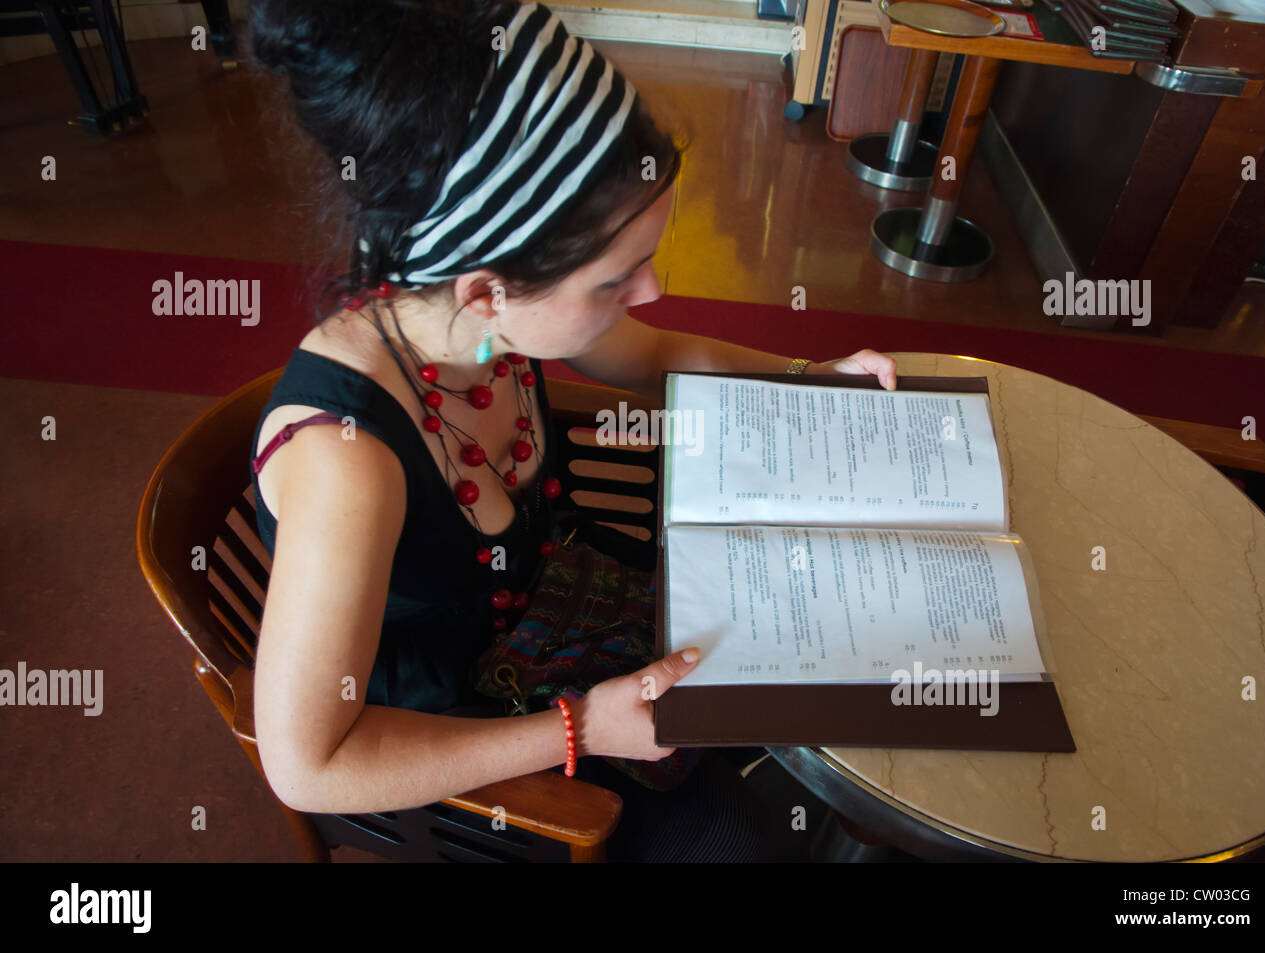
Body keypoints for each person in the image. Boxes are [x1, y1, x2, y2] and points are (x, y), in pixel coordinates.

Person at [245, 0, 898, 861]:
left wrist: (809, 384)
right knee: (745, 838)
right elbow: (309, 764)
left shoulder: (472, 318)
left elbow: (659, 349)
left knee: (828, 646)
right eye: (615, 279)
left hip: (558, 608)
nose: (652, 290)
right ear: (486, 291)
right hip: (465, 733)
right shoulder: (348, 466)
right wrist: (584, 725)